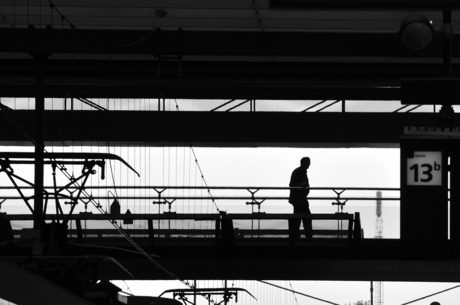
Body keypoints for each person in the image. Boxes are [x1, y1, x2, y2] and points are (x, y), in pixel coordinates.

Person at [289, 157, 313, 240]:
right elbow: (292, 184)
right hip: (299, 200)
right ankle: (308, 237)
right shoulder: (299, 172)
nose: (309, 164)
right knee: (305, 218)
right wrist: (302, 185)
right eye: (307, 163)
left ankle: (295, 237)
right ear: (303, 163)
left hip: (300, 200)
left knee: (298, 219)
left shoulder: (300, 171)